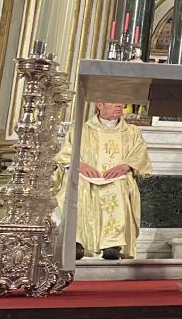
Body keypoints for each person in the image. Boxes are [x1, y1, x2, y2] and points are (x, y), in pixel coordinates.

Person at [59, 102, 152, 260]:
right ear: (100, 105)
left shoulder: (132, 131)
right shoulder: (80, 130)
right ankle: (76, 242)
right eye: (114, 101)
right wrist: (79, 164)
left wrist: (125, 166)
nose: (120, 105)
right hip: (85, 176)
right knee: (77, 185)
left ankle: (113, 244)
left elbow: (139, 153)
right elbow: (65, 154)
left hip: (118, 177)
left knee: (118, 185)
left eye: (121, 102)